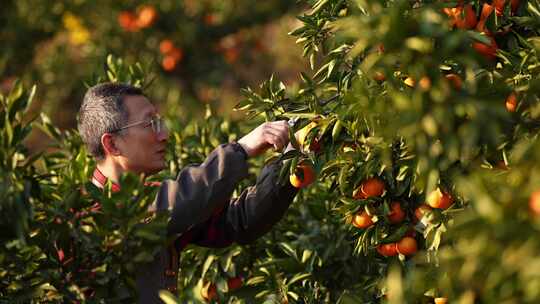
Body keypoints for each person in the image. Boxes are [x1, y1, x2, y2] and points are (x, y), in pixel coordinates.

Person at [77, 82, 299, 303]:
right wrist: (241, 149)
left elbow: (239, 220)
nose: (164, 134)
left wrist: (292, 158)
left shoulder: (154, 204)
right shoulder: (89, 215)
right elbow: (180, 202)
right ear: (112, 144)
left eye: (160, 122)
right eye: (150, 124)